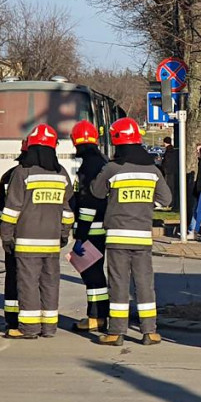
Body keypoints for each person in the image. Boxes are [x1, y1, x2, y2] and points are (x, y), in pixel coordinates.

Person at [91, 117, 172, 346]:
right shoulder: (153, 171)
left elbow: (97, 192)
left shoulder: (112, 168)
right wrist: (146, 205)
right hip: (143, 236)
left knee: (118, 284)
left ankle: (116, 332)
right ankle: (150, 331)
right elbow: (166, 199)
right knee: (145, 283)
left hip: (117, 236)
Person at [0, 124, 74, 339]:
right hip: (51, 241)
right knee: (50, 283)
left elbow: (12, 209)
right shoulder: (61, 174)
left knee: (28, 283)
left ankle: (29, 329)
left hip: (26, 241)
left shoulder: (23, 173)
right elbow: (67, 210)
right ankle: (49, 328)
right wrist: (63, 233)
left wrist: (6, 236)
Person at [69, 120, 110, 332]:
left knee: (92, 274)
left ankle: (96, 316)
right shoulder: (101, 161)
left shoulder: (88, 166)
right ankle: (98, 314)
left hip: (92, 230)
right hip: (101, 227)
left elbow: (87, 203)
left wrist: (80, 236)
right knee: (94, 273)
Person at [0, 138, 27, 336]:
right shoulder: (46, 175)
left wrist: (6, 233)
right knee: (37, 279)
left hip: (14, 236)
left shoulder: (9, 176)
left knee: (13, 277)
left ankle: (12, 320)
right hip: (38, 237)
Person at [161, 136, 179, 210]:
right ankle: (173, 203)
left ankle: (169, 203)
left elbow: (166, 163)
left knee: (169, 188)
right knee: (173, 188)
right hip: (174, 171)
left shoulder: (168, 151)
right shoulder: (174, 151)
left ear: (165, 142)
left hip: (168, 172)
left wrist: (163, 168)